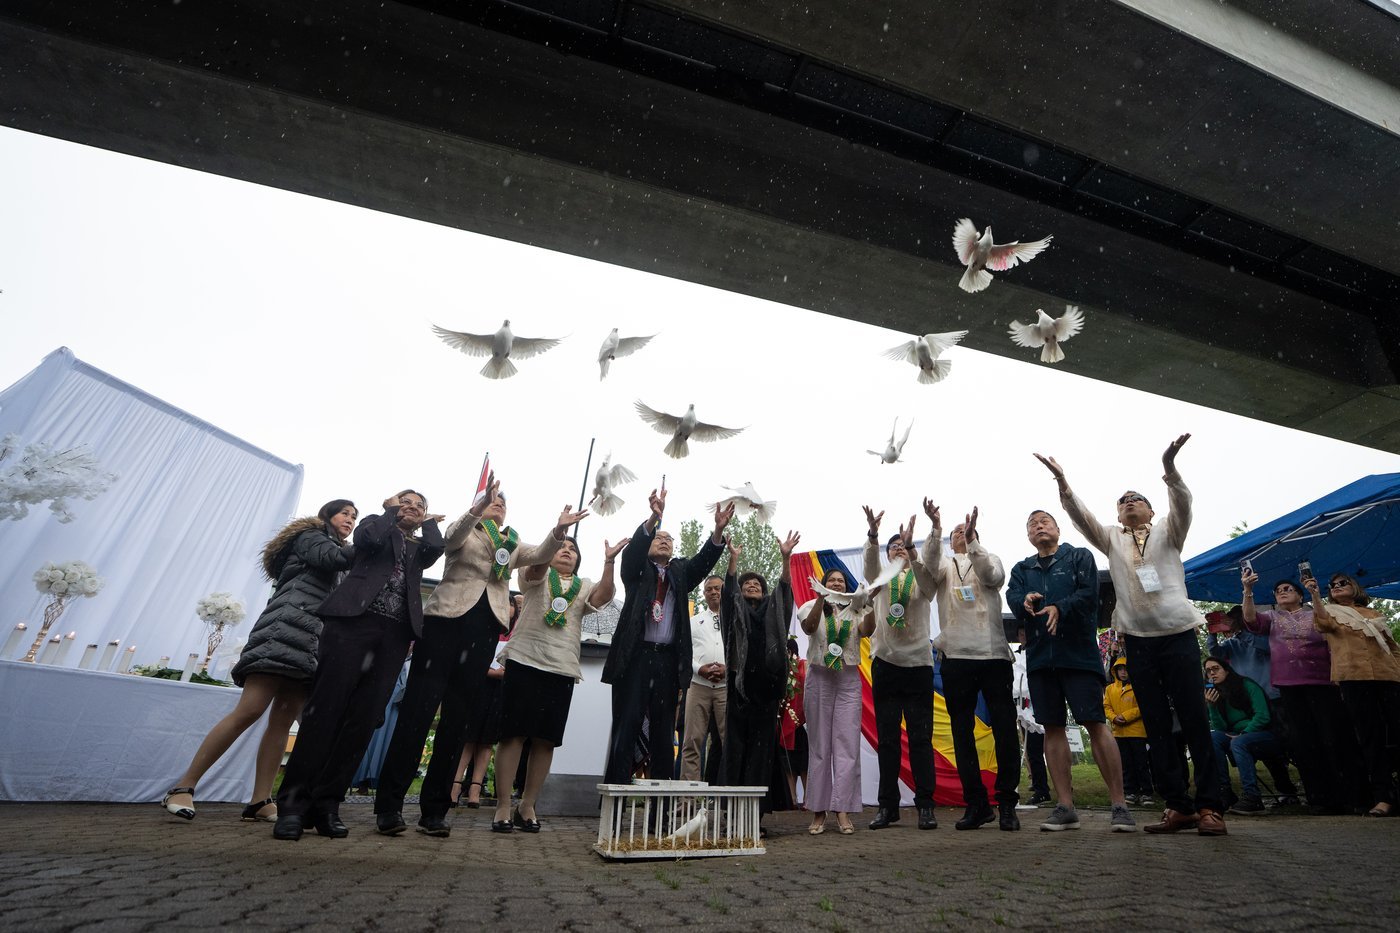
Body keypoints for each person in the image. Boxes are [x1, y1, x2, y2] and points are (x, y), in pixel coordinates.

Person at [373, 475, 586, 838]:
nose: (499, 503)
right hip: (445, 622)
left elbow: (537, 556)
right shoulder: (466, 529)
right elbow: (450, 538)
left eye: (503, 502)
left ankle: (435, 810)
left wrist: (557, 532)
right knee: (418, 712)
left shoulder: (512, 542)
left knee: (458, 721)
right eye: (493, 500)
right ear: (480, 504)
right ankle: (390, 806)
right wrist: (475, 509)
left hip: (484, 629)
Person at [1038, 436, 1218, 836]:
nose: (1129, 502)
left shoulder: (1170, 530)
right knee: (1155, 724)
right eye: (1122, 501)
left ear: (1152, 509)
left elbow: (1183, 504)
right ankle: (1178, 806)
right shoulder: (1112, 539)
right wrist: (1063, 485)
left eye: (1137, 498)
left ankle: (1209, 806)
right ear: (1118, 515)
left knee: (1193, 718)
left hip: (1178, 632)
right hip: (1136, 637)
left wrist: (1169, 469)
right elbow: (1082, 518)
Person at [160, 500, 357, 823]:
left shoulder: (340, 550)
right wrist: (373, 540)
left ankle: (260, 799)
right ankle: (184, 786)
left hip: (309, 642)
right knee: (250, 710)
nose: (349, 520)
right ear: (327, 516)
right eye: (344, 513)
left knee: (282, 721)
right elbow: (333, 559)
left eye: (354, 517)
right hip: (281, 633)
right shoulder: (311, 537)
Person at [272, 491, 444, 841]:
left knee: (363, 720)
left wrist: (427, 525)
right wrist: (389, 511)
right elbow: (366, 539)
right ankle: (292, 806)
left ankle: (327, 804)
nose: (412, 507)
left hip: (395, 636)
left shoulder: (417, 548)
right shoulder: (375, 527)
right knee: (325, 712)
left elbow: (434, 551)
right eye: (406, 501)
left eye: (420, 505)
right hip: (352, 624)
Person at [1006, 509, 1134, 833]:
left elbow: (1090, 596)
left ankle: (1119, 804)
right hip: (1040, 659)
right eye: (1032, 523)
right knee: (1051, 728)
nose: (1038, 525)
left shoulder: (1079, 557)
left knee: (1095, 723)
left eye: (1044, 521)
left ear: (1058, 529)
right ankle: (1065, 806)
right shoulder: (1022, 569)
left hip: (1078, 655)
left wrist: (1059, 607)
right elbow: (1012, 596)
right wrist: (1024, 601)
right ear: (1028, 535)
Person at [490, 535, 625, 832]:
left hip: (561, 666)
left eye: (573, 549)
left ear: (578, 561)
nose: (567, 551)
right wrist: (556, 535)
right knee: (513, 735)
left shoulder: (584, 585)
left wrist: (610, 560)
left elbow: (604, 595)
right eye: (562, 547)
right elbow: (534, 571)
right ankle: (502, 805)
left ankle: (527, 805)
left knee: (545, 739)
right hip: (524, 659)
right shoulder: (537, 571)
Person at [602, 490, 731, 785]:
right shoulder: (636, 570)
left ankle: (659, 808)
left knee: (663, 733)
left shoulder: (679, 572)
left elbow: (703, 561)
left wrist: (719, 531)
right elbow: (633, 552)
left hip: (667, 662)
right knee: (627, 725)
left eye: (669, 539)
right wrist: (654, 518)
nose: (664, 540)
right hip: (635, 658)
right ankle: (616, 799)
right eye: (659, 537)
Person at [927, 503, 1020, 831]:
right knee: (961, 732)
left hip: (993, 654)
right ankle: (977, 804)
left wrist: (975, 545)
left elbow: (992, 578)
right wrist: (936, 530)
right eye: (956, 534)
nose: (961, 536)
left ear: (976, 537)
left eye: (966, 532)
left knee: (1005, 729)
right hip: (955, 656)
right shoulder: (942, 564)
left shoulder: (989, 557)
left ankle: (1007, 802)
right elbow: (926, 577)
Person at [1242, 570, 1364, 814]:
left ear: (1299, 595)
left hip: (1324, 683)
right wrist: (1247, 591)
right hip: (1289, 686)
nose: (1283, 592)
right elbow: (1251, 620)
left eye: (1288, 588)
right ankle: (1320, 799)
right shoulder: (1272, 618)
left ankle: (1353, 796)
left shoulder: (1316, 613)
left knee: (1335, 738)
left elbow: (1328, 629)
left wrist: (1315, 594)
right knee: (1305, 742)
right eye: (1278, 591)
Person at [863, 506, 938, 831]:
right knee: (889, 741)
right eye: (893, 546)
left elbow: (930, 584)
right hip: (886, 665)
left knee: (921, 740)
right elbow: (869, 565)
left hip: (918, 665)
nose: (898, 549)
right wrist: (873, 534)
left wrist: (912, 550)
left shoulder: (920, 579)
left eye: (903, 546)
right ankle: (887, 807)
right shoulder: (881, 579)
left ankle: (925, 806)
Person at [721, 531, 801, 832]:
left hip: (766, 694)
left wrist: (785, 558)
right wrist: (733, 560)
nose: (751, 585)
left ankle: (753, 818)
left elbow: (784, 591)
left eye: (757, 583)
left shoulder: (773, 611)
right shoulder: (734, 612)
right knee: (735, 755)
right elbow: (729, 594)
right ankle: (731, 817)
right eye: (746, 583)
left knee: (761, 756)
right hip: (739, 693)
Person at [1305, 573, 1400, 817]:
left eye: (1342, 583)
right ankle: (1383, 796)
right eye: (1332, 585)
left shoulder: (1371, 613)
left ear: (1355, 587)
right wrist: (1315, 594)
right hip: (1354, 678)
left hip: (1388, 676)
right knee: (1371, 736)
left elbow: (1391, 647)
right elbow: (1322, 624)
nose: (1336, 587)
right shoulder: (1330, 611)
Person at [799, 566, 874, 835]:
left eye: (841, 581)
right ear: (823, 583)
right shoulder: (810, 605)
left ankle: (842, 810)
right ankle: (819, 812)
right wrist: (821, 598)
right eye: (832, 580)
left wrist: (870, 603)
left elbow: (867, 631)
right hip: (819, 677)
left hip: (847, 679)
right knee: (819, 745)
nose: (837, 584)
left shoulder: (855, 607)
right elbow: (808, 628)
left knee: (846, 745)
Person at [450, 593, 519, 808]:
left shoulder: (518, 635)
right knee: (468, 739)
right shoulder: (484, 629)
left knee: (487, 742)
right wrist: (485, 670)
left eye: (511, 605)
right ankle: (454, 786)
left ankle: (475, 789)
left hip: (500, 693)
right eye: (505, 603)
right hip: (477, 687)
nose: (508, 608)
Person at [680, 575, 727, 782]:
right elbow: (684, 652)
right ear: (704, 594)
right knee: (692, 741)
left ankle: (728, 799)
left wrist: (730, 667)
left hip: (727, 687)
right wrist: (699, 669)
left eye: (718, 588)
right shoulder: (693, 622)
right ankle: (687, 799)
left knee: (729, 742)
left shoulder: (736, 619)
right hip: (698, 685)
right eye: (709, 589)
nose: (714, 592)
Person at [1102, 658, 1153, 806]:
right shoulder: (1110, 689)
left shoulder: (1138, 686)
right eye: (1120, 669)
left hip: (1137, 732)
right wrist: (1113, 717)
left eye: (1126, 669)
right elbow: (1106, 707)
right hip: (1119, 733)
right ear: (1116, 671)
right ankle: (1130, 791)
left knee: (1141, 763)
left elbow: (1142, 706)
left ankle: (1146, 793)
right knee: (1126, 764)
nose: (1124, 672)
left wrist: (1125, 716)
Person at [1013, 646, 1051, 805]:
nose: (1022, 634)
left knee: (1051, 747)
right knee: (1032, 751)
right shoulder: (1015, 657)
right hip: (1022, 709)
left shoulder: (1041, 651)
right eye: (1020, 631)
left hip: (1039, 707)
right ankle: (1040, 788)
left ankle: (1063, 786)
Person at [778, 636, 808, 807]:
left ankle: (807, 798)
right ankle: (792, 799)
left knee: (803, 766)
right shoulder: (782, 670)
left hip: (797, 726)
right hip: (784, 725)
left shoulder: (802, 667)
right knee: (788, 768)